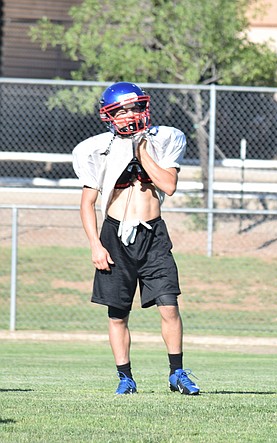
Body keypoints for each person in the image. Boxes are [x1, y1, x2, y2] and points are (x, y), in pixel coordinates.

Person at [73, 81, 199, 396]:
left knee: (169, 305)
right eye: (122, 110)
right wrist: (95, 245)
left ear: (145, 108)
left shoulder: (162, 140)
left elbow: (168, 185)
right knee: (117, 312)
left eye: (135, 108)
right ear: (109, 115)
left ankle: (177, 373)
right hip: (115, 234)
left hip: (153, 232)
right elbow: (87, 203)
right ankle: (125, 377)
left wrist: (140, 151)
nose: (130, 115)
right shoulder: (97, 149)